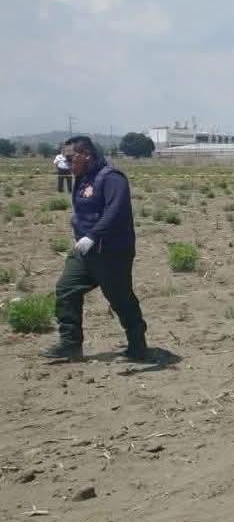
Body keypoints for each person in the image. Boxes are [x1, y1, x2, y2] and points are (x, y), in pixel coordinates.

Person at [43, 136, 149, 361]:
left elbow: (115, 210)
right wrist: (64, 170)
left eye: (70, 157)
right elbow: (76, 197)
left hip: (112, 252)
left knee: (120, 298)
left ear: (86, 155)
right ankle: (70, 345)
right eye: (64, 157)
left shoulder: (112, 178)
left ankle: (138, 346)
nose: (66, 162)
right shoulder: (82, 177)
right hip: (86, 251)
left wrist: (93, 235)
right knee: (67, 289)